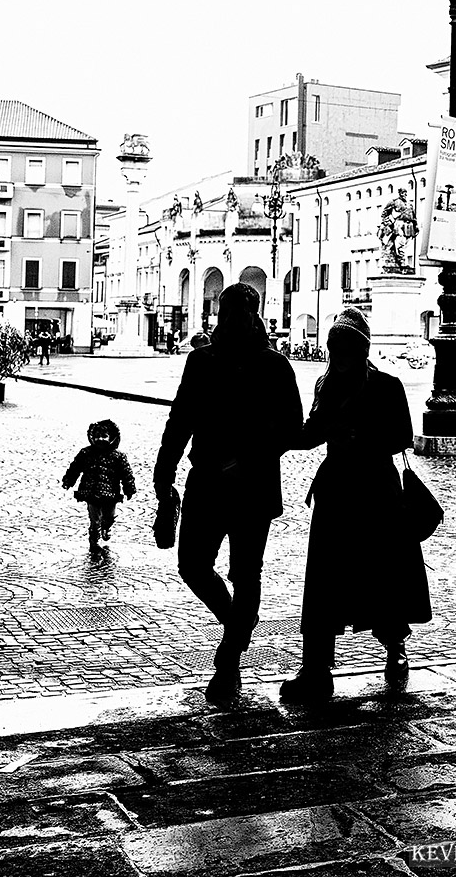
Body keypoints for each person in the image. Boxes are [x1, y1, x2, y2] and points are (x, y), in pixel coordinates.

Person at [153, 282, 303, 703]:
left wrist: (246, 454)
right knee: (192, 565)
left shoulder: (275, 365)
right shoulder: (200, 360)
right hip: (205, 480)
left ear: (252, 313)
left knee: (245, 574)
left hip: (252, 484)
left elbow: (292, 425)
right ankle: (237, 625)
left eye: (238, 309)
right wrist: (163, 473)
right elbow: (180, 418)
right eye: (226, 309)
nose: (231, 316)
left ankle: (229, 659)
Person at [280, 307, 432, 704]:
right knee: (326, 580)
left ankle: (395, 650)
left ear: (361, 348)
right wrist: (279, 436)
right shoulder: (325, 384)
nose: (339, 353)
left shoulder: (387, 385)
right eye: (335, 346)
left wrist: (355, 434)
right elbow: (311, 434)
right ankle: (316, 669)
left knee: (384, 575)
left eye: (346, 346)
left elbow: (401, 437)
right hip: (337, 492)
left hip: (377, 492)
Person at [62, 419, 135, 552]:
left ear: (111, 437)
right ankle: (94, 540)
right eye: (97, 436)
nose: (100, 439)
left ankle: (106, 527)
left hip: (110, 494)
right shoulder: (85, 453)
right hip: (92, 492)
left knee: (109, 517)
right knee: (94, 520)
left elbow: (126, 474)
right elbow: (75, 468)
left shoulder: (118, 457)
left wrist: (129, 489)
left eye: (104, 436)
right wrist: (68, 480)